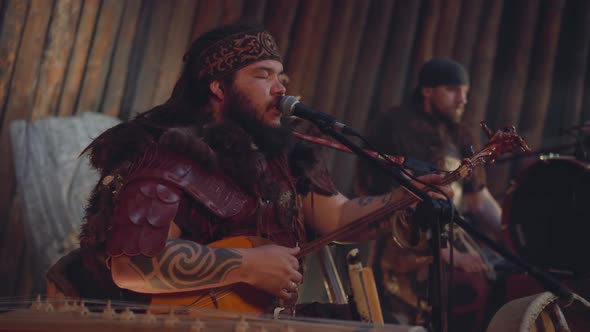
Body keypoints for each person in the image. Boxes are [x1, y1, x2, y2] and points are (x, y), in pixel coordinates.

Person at [53, 25, 450, 320]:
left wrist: (403, 196)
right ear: (218, 88)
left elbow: (339, 219)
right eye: (263, 75)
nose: (281, 89)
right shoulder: (169, 154)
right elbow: (133, 265)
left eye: (281, 77)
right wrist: (247, 265)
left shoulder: (283, 159)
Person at [355, 58, 503, 329]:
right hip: (402, 246)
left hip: (451, 241)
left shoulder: (461, 132)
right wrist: (443, 253)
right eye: (453, 90)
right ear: (427, 90)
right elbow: (382, 196)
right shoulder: (392, 126)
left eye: (465, 93)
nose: (462, 100)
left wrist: (508, 237)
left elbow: (479, 201)